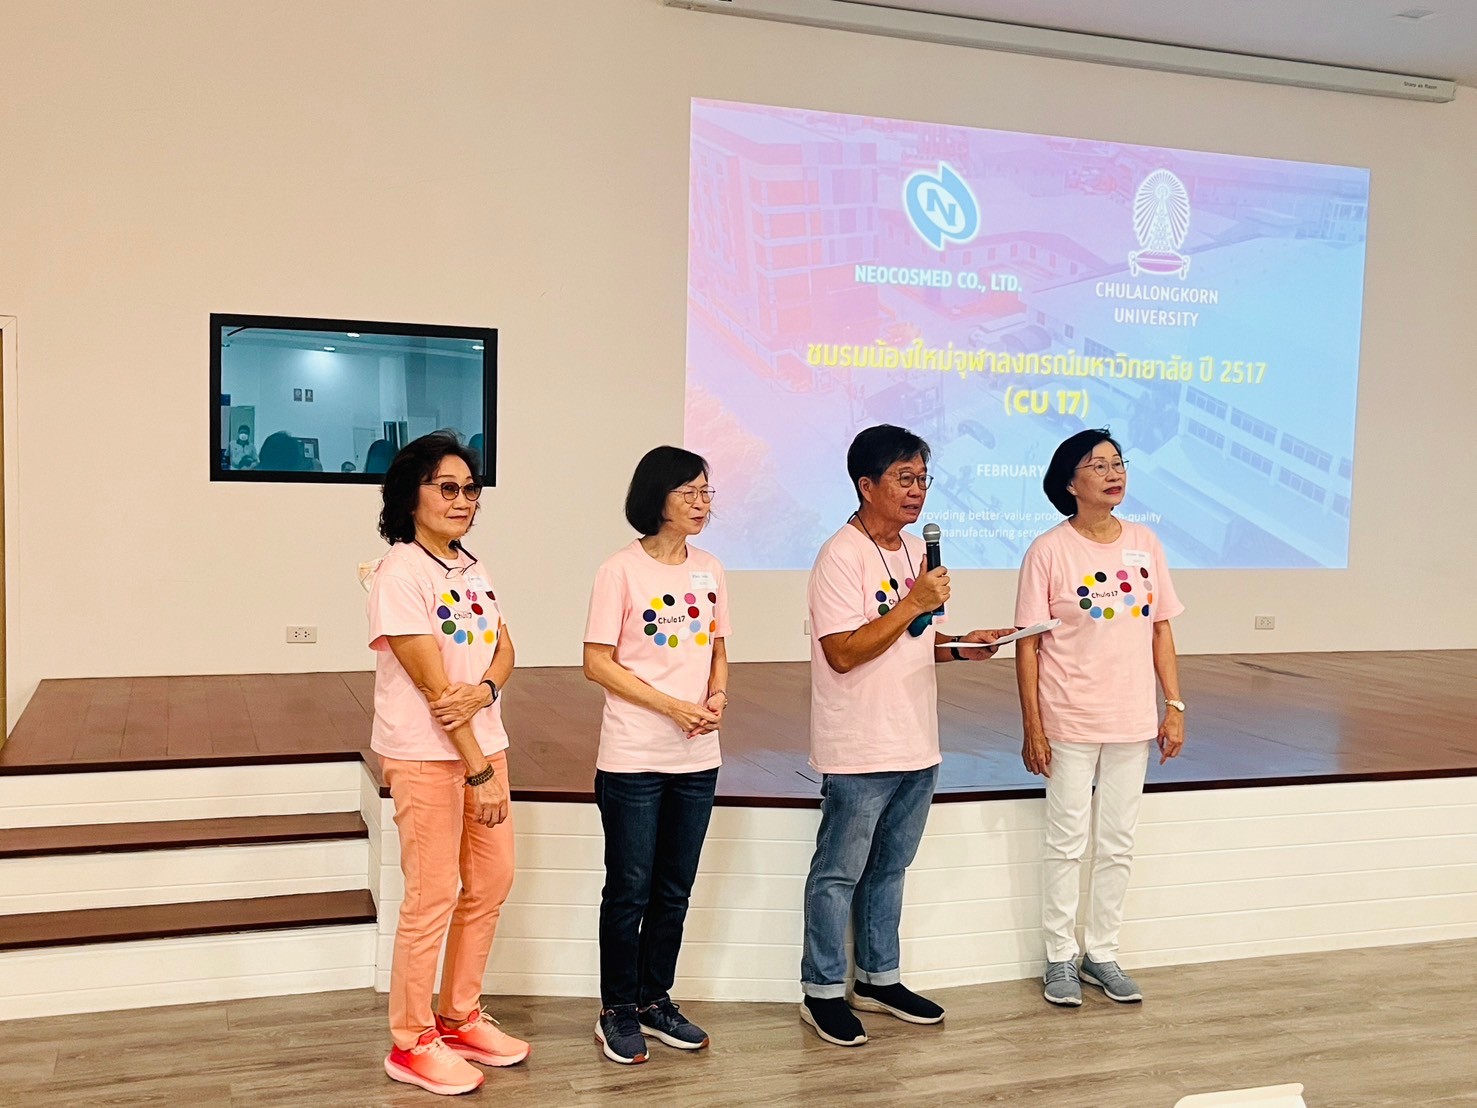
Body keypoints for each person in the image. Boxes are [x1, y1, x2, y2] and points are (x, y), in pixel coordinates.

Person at [800, 424, 1013, 1047]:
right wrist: (915, 601)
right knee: (838, 873)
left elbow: (913, 640)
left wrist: (961, 646)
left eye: (923, 478)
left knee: (890, 867)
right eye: (904, 478)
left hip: (917, 737)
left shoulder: (913, 549)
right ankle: (822, 990)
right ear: (866, 485)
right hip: (860, 742)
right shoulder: (840, 555)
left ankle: (878, 979)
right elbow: (843, 651)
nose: (918, 490)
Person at [366, 431, 529, 1095]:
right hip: (426, 755)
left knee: (490, 882)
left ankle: (459, 1014)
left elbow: (505, 649)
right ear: (411, 496)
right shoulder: (399, 573)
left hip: (483, 742)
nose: (464, 501)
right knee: (432, 895)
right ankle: (410, 1041)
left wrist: (486, 690)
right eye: (448, 488)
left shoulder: (471, 566)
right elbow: (435, 690)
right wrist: (478, 771)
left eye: (471, 490)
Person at [1014, 428, 1185, 1008]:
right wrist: (1033, 726)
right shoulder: (1049, 550)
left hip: (1132, 718)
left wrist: (1174, 705)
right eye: (1099, 466)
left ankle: (1102, 953)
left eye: (1119, 464)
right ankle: (1059, 956)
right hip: (1069, 717)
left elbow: (1160, 629)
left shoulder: (1145, 542)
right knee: (1067, 841)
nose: (1114, 474)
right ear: (1070, 483)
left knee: (1116, 842)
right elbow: (1028, 645)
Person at [582, 446, 730, 1065]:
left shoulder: (711, 568)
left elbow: (718, 647)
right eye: (688, 492)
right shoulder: (620, 570)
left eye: (706, 492)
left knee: (674, 890)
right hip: (635, 757)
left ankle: (654, 999)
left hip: (697, 758)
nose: (701, 503)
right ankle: (616, 1008)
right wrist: (673, 707)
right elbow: (597, 662)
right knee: (630, 890)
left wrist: (717, 694)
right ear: (656, 497)